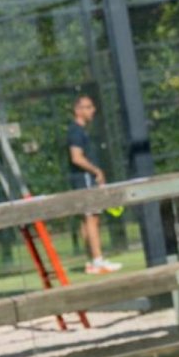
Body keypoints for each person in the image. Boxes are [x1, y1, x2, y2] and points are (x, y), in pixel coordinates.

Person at [67, 94, 122, 275]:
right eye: (88, 107)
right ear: (78, 110)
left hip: (84, 179)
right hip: (85, 179)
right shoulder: (76, 131)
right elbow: (76, 158)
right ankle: (98, 261)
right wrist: (96, 171)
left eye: (92, 106)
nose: (93, 110)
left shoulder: (80, 131)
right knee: (92, 218)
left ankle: (92, 261)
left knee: (87, 219)